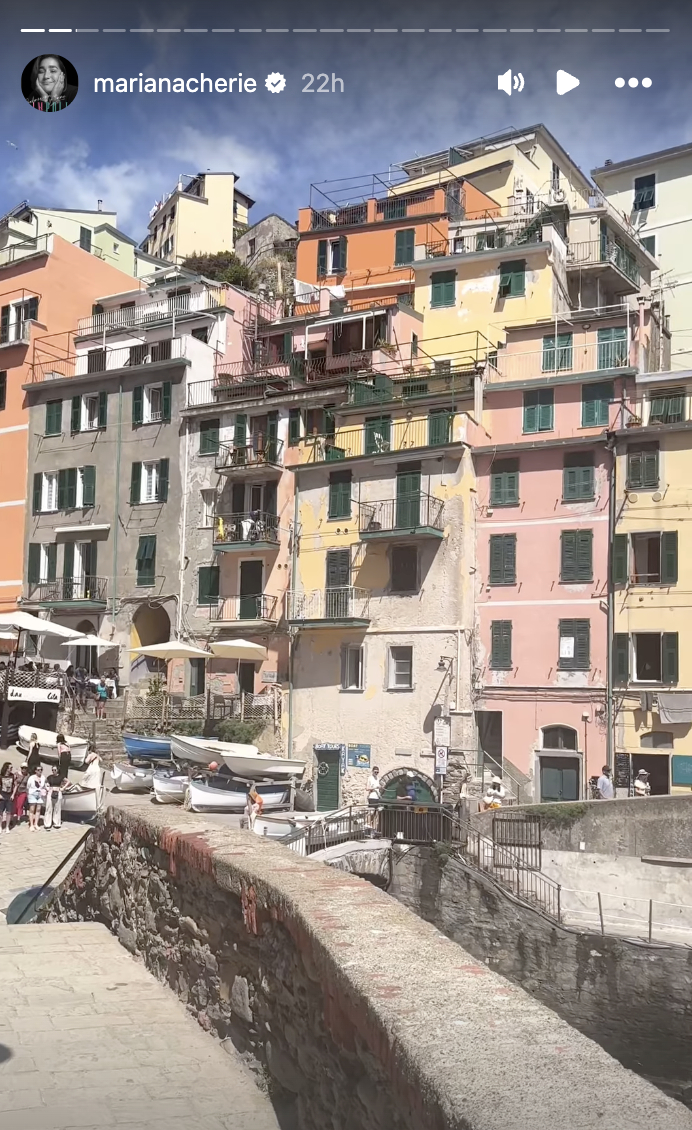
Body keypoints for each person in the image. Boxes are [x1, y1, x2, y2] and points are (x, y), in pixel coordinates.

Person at [26, 766, 46, 831]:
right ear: (35, 771)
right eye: (38, 770)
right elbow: (28, 787)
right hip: (32, 794)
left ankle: (36, 824)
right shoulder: (31, 778)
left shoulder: (43, 777)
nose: (40, 771)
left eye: (41, 770)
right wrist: (28, 794)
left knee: (38, 809)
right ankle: (31, 825)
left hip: (40, 794)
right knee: (32, 810)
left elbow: (45, 786)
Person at [0, 762, 16, 834]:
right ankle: (0, 826)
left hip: (9, 796)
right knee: (0, 812)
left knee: (9, 812)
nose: (11, 769)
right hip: (2, 795)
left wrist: (13, 794)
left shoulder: (12, 776)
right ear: (7, 768)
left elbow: (15, 785)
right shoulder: (1, 776)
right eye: (10, 768)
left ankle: (7, 827)